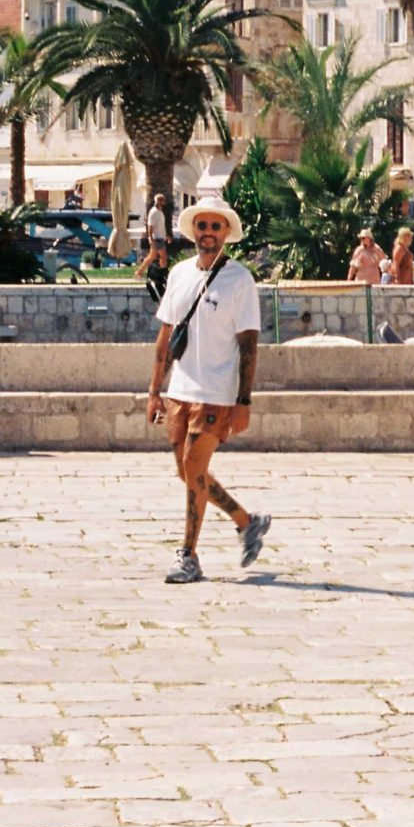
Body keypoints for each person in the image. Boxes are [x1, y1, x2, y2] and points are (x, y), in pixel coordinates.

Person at [147, 195, 270, 584]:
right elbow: (165, 336)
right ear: (193, 231)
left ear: (226, 233)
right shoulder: (181, 274)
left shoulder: (240, 280)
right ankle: (247, 522)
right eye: (203, 226)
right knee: (186, 470)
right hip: (181, 388)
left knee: (194, 466)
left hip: (217, 390)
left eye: (216, 227)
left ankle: (188, 555)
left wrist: (243, 401)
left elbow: (249, 345)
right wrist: (154, 390)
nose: (209, 233)